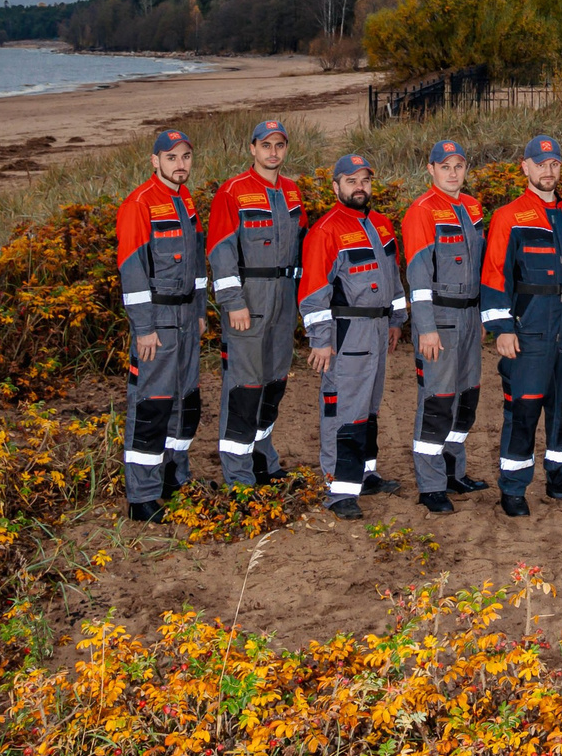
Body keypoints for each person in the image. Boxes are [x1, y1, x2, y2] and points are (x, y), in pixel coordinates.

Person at [480, 135, 562, 517]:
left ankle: (560, 477)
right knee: (525, 407)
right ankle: (513, 488)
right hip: (529, 325)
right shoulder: (509, 216)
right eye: (541, 164)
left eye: (555, 164)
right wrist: (502, 328)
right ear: (525, 167)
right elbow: (495, 274)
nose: (549, 171)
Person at [296, 154, 402, 520]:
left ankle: (365, 474)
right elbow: (313, 293)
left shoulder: (382, 225)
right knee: (344, 410)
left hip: (378, 329)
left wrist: (397, 320)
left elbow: (393, 277)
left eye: (365, 180)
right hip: (347, 333)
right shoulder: (326, 230)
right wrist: (321, 340)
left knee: (369, 408)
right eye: (352, 180)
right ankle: (338, 489)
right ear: (336, 186)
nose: (360, 187)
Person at [204, 118, 306, 491]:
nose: (273, 152)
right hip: (249, 301)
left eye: (279, 145)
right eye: (266, 145)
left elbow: (303, 245)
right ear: (253, 149)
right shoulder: (233, 191)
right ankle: (239, 476)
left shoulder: (293, 192)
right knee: (244, 388)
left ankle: (264, 459)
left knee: (274, 383)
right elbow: (220, 249)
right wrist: (233, 302)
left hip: (284, 301)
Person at [115, 128, 208, 521]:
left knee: (185, 402)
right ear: (155, 161)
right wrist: (144, 327)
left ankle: (174, 475)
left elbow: (197, 262)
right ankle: (142, 495)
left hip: (187, 317)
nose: (180, 164)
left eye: (185, 156)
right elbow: (132, 271)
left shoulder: (185, 200)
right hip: (157, 321)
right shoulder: (139, 204)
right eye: (172, 158)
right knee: (151, 405)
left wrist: (201, 311)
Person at [398, 136, 488, 515]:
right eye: (445, 167)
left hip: (469, 316)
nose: (453, 173)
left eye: (459, 166)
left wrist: (482, 316)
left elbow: (482, 268)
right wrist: (426, 328)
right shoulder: (421, 211)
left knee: (466, 398)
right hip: (440, 319)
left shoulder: (472, 207)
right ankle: (431, 484)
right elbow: (417, 276)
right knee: (437, 401)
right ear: (431, 170)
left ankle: (454, 472)